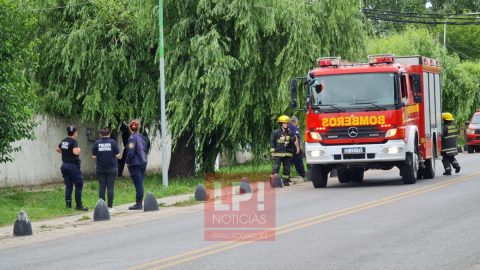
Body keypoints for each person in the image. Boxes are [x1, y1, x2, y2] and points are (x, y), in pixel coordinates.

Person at [56, 126, 88, 211]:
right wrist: (79, 149)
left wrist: (66, 152)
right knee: (79, 184)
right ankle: (78, 205)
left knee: (69, 185)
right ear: (75, 133)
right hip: (72, 166)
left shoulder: (64, 141)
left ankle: (68, 205)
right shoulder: (74, 142)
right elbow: (75, 152)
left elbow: (58, 149)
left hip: (64, 166)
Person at [92, 127, 121, 212]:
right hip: (112, 168)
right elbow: (118, 155)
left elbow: (94, 156)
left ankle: (102, 206)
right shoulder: (113, 142)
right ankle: (110, 207)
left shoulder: (97, 143)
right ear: (109, 135)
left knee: (102, 187)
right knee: (110, 187)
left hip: (100, 168)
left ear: (101, 135)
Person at [126, 120, 148, 210]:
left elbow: (131, 152)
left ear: (130, 128)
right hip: (143, 162)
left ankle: (139, 203)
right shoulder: (142, 137)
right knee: (140, 183)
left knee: (138, 184)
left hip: (135, 163)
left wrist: (127, 161)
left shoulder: (131, 138)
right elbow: (146, 148)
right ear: (138, 128)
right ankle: (139, 201)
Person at [270, 115, 296, 186]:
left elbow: (294, 139)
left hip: (288, 153)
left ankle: (285, 181)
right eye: (284, 123)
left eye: (287, 123)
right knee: (276, 167)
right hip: (278, 153)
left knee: (287, 168)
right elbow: (272, 142)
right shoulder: (276, 132)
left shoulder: (290, 132)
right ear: (281, 124)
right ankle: (272, 181)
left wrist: (286, 138)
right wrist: (272, 151)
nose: (286, 124)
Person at [288, 116, 306, 180]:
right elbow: (295, 137)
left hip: (288, 147)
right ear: (296, 122)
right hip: (294, 147)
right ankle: (303, 175)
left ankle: (286, 178)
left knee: (288, 163)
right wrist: (297, 147)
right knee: (298, 161)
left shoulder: (287, 126)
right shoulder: (293, 127)